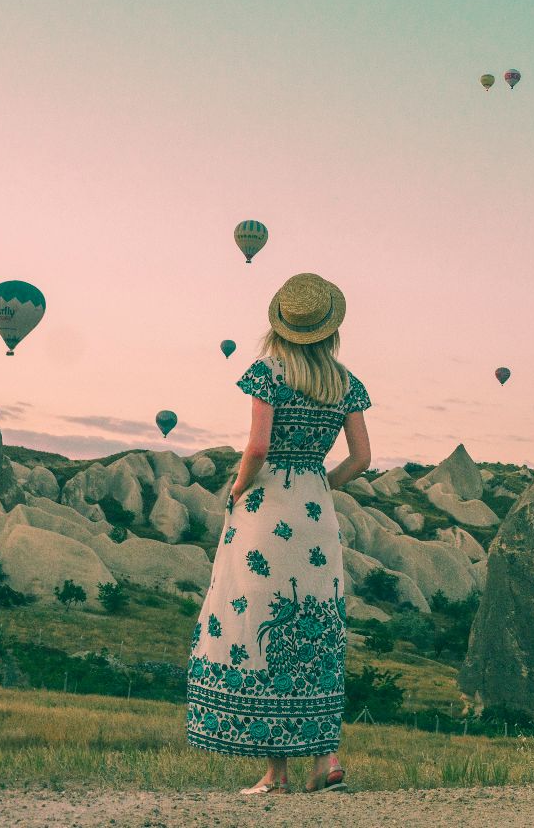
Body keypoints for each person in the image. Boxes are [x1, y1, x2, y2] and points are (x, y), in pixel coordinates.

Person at [185, 272, 374, 795]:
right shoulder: (345, 382)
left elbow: (258, 447)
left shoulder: (268, 372)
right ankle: (326, 761)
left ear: (280, 326)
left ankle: (276, 774)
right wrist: (320, 483)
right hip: (315, 513)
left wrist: (236, 489)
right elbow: (362, 458)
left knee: (262, 621)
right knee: (316, 625)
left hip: (267, 511)